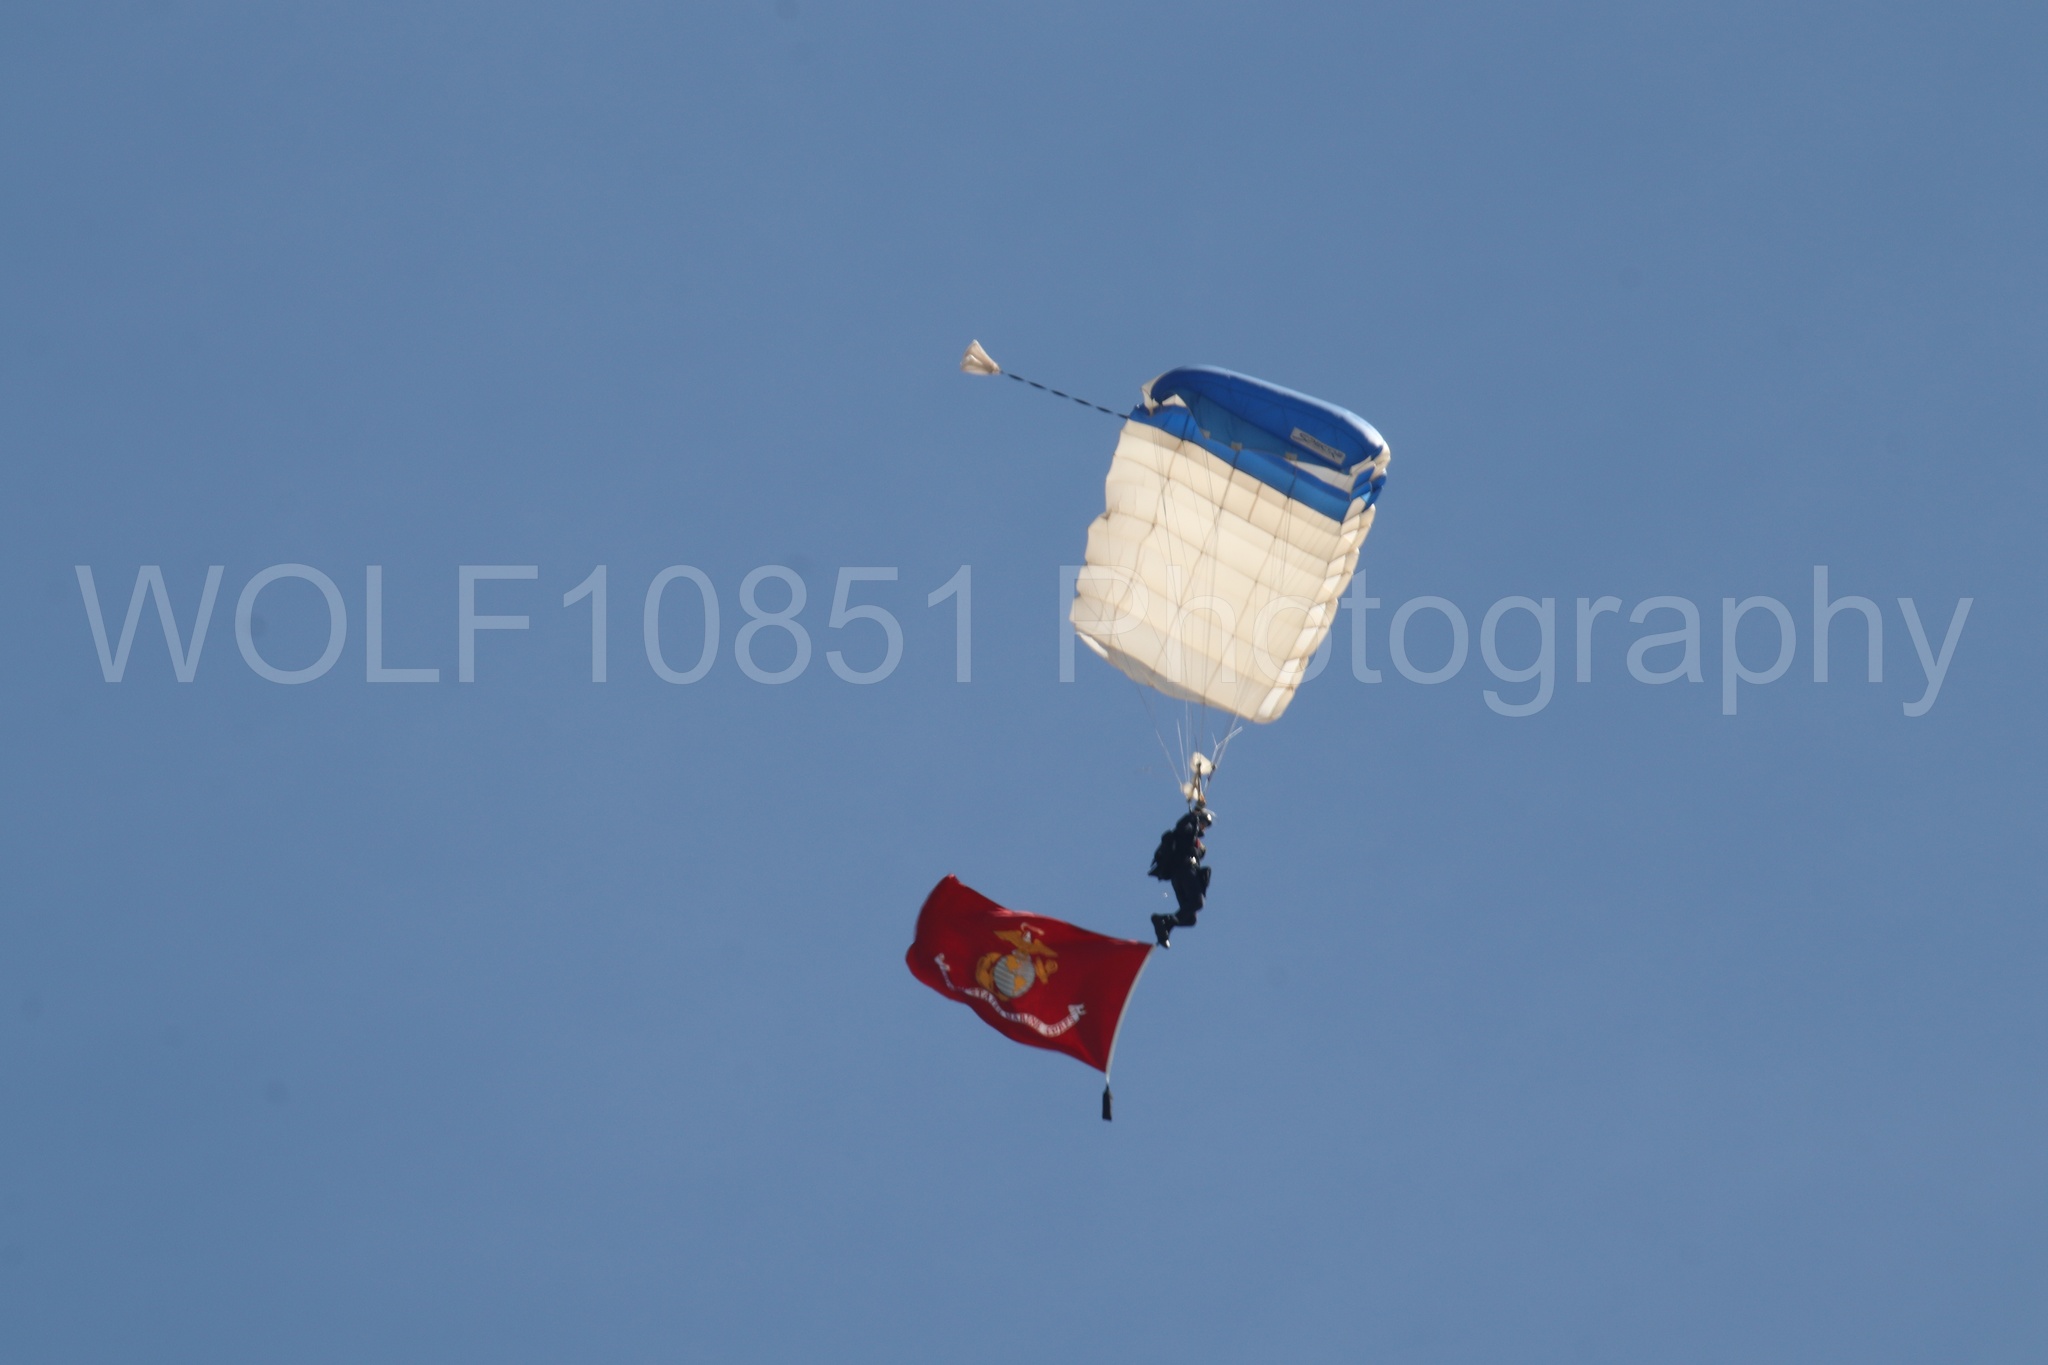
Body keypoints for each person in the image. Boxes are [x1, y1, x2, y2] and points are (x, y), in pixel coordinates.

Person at [1147, 805, 1214, 948]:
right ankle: (1165, 921)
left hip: (1185, 875)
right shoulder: (1187, 831)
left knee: (1190, 919)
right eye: (1203, 823)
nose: (1204, 827)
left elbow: (1199, 851)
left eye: (1205, 825)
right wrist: (1193, 816)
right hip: (1183, 870)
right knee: (1198, 902)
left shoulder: (1198, 844)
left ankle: (1163, 926)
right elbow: (1181, 827)